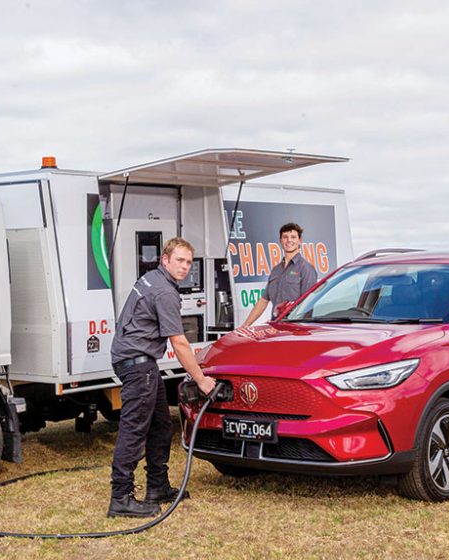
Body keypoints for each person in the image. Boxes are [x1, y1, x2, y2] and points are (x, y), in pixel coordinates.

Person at [107, 237, 216, 518]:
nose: (185, 266)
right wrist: (201, 380)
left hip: (139, 361)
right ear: (165, 259)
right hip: (137, 364)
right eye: (179, 260)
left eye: (189, 262)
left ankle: (157, 486)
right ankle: (121, 497)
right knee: (133, 431)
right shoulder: (164, 292)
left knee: (161, 426)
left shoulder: (152, 279)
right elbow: (179, 343)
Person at [239, 222, 319, 329]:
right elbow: (263, 301)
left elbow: (308, 305)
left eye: (293, 237)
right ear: (281, 240)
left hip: (295, 329)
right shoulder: (276, 270)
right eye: (285, 237)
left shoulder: (306, 269)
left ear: (300, 240)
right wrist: (245, 325)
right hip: (276, 327)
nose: (289, 240)